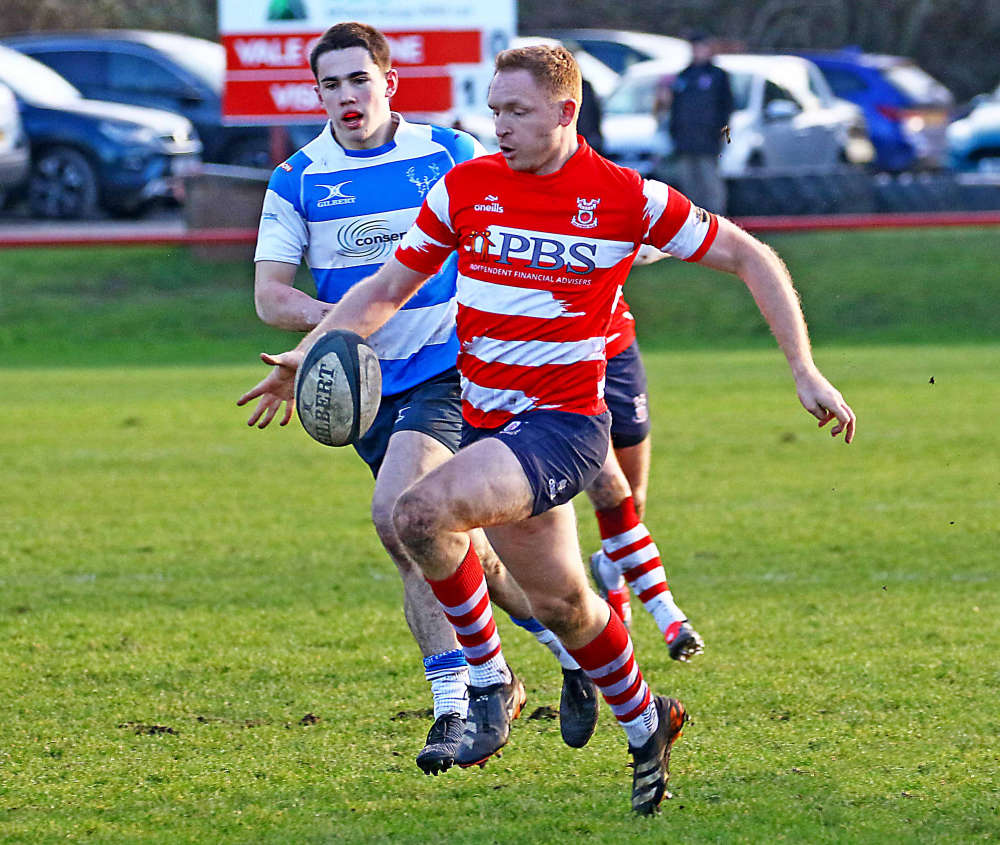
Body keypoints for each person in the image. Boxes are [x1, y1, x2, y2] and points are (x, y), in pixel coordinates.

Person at [240, 44, 855, 815]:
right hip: (490, 425)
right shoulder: (466, 188)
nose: (500, 126)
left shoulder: (625, 197)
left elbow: (750, 255)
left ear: (566, 112)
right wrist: (311, 351)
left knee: (417, 515)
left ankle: (488, 684)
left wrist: (804, 368)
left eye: (517, 111)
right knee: (567, 606)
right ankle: (649, 720)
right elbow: (386, 287)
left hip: (562, 426)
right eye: (494, 110)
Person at [244, 22, 596, 777]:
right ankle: (570, 648)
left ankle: (461, 701)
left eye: (358, 79)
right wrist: (334, 330)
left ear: (389, 82)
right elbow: (271, 295)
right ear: (317, 94)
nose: (346, 95)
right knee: (446, 545)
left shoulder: (448, 153)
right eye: (330, 84)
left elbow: (526, 217)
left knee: (394, 515)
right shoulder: (297, 178)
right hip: (368, 386)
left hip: (453, 373)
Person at [583, 251, 704, 660]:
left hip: (616, 349)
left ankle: (610, 567)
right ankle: (670, 617)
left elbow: (649, 238)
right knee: (610, 489)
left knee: (632, 500)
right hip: (561, 358)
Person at [664, 30, 733, 215]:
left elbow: (726, 109)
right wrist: (674, 132)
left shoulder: (718, 76)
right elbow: (675, 108)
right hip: (685, 140)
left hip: (708, 140)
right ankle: (694, 220)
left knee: (710, 183)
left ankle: (717, 219)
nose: (697, 51)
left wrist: (722, 134)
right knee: (688, 183)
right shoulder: (684, 75)